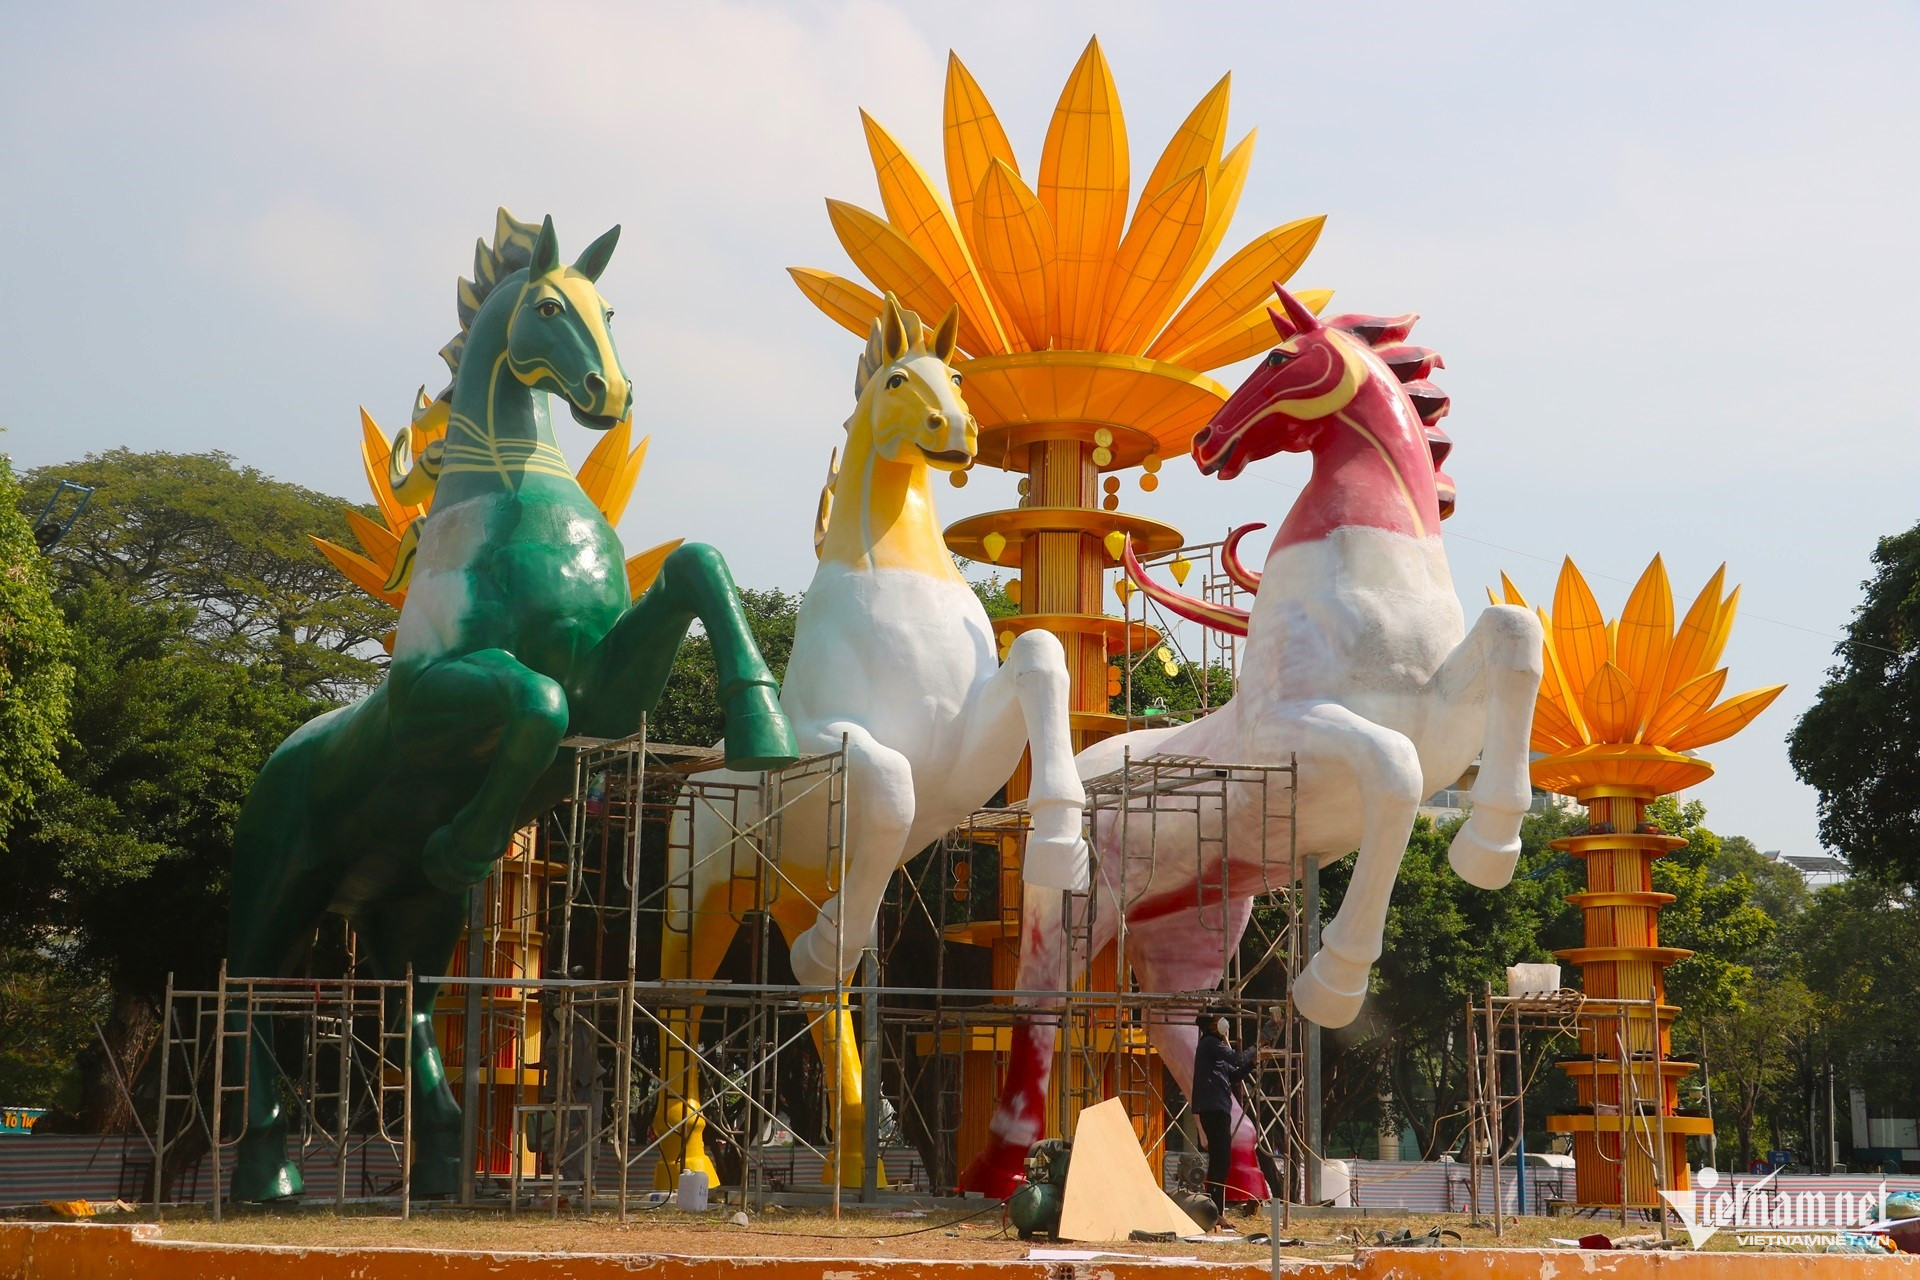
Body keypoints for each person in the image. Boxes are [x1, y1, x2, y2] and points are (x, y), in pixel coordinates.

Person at [1191, 1007, 1259, 1217]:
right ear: (1211, 1025)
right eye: (1218, 1018)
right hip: (1214, 1108)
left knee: (1221, 1160)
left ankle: (1214, 1211)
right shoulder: (1211, 1043)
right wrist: (1256, 1048)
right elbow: (1238, 1059)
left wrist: (1252, 1063)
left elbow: (1235, 1075)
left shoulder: (1213, 1049)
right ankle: (1215, 1211)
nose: (1223, 1021)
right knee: (1221, 1161)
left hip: (1217, 1108)